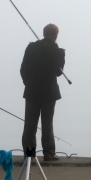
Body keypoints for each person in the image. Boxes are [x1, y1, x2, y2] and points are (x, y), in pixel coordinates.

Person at [20, 24, 66, 162]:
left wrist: (28, 83)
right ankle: (48, 153)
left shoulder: (31, 47)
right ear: (56, 36)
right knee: (47, 124)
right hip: (49, 92)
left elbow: (23, 69)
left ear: (44, 33)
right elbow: (58, 72)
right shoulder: (58, 51)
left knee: (30, 123)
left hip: (32, 91)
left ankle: (29, 154)